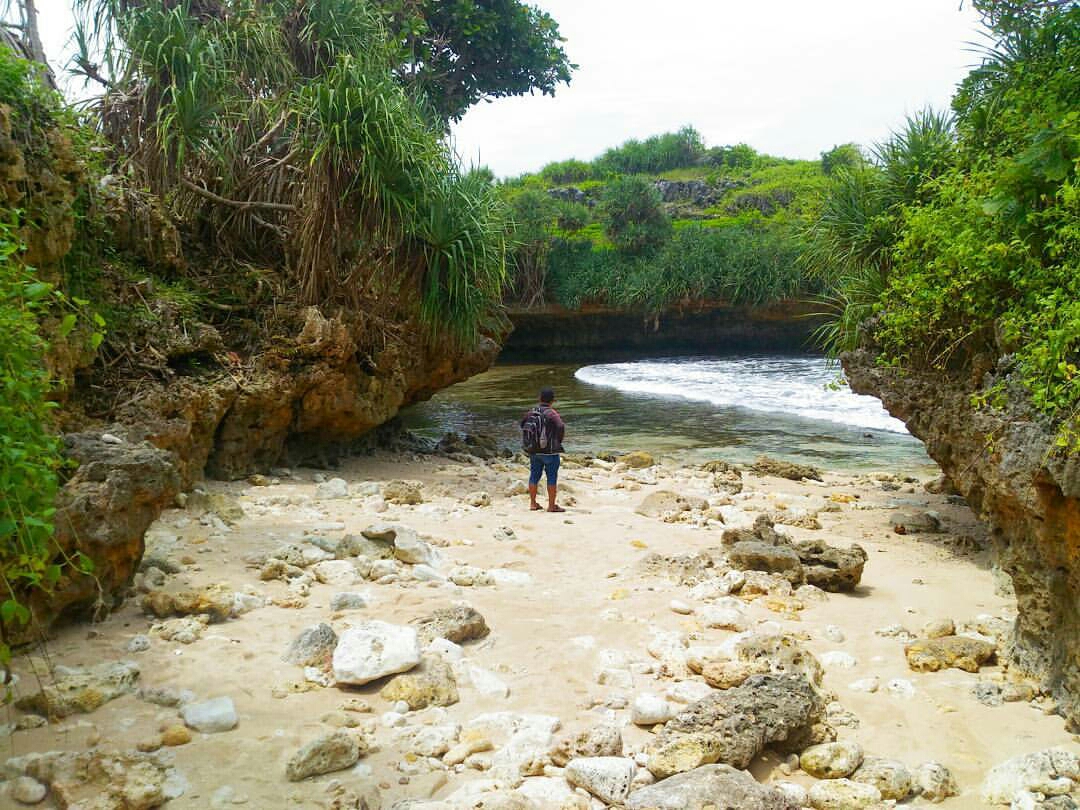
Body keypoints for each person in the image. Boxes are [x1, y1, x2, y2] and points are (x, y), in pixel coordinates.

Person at [521, 386, 565, 512]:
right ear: (552, 401)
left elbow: (522, 424)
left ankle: (533, 504)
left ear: (540, 398)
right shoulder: (552, 413)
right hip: (550, 452)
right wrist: (558, 441)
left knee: (534, 476)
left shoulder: (531, 412)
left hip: (534, 451)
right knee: (551, 477)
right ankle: (551, 506)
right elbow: (561, 426)